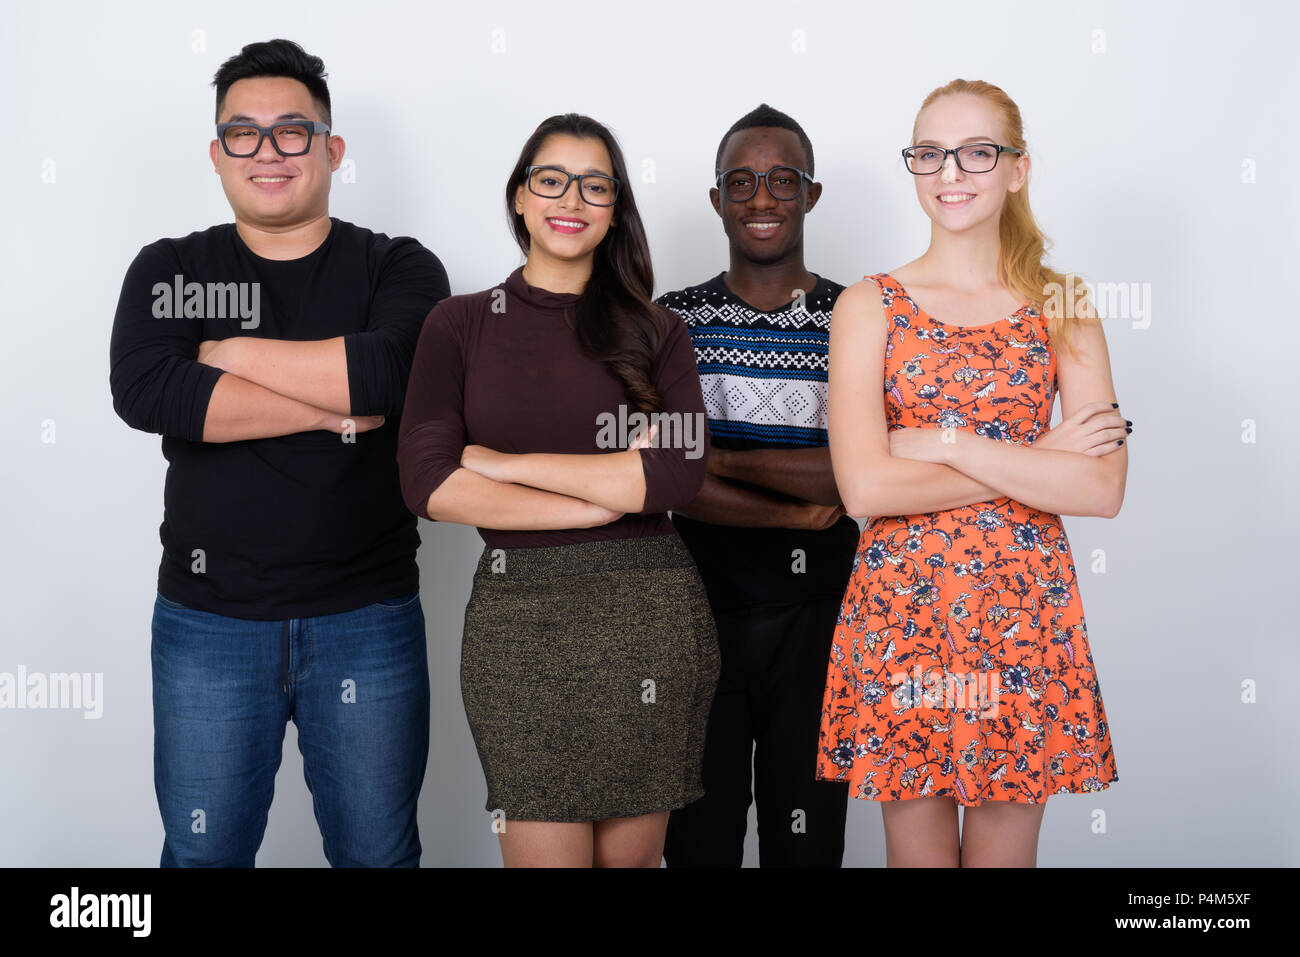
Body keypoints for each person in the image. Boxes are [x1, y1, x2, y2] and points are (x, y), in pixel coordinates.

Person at [108, 38, 449, 867]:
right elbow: (152, 392)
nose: (268, 151)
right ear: (217, 154)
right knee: (202, 856)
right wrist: (336, 412)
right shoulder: (173, 268)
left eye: (292, 131)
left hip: (367, 617)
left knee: (379, 855)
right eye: (244, 134)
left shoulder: (398, 266)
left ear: (331, 150)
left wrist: (228, 350)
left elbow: (387, 372)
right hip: (208, 622)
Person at [817, 78, 1129, 867]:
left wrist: (947, 443)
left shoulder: (1063, 305)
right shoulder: (868, 304)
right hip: (901, 615)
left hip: (1024, 612)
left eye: (976, 152)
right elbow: (866, 489)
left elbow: (1101, 486)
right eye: (931, 153)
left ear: (1016, 169)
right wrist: (1037, 457)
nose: (950, 172)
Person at [396, 113, 719, 868]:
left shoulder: (657, 330)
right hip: (519, 627)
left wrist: (507, 465)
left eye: (595, 184)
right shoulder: (459, 324)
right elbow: (429, 480)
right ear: (518, 197)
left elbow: (676, 473)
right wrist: (602, 497)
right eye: (551, 178)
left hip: (649, 619)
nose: (570, 197)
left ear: (614, 211)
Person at [657, 104, 853, 867]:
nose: (762, 199)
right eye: (742, 182)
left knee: (807, 834)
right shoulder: (672, 321)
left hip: (822, 611)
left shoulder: (856, 316)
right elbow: (664, 481)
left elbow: (853, 474)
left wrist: (716, 458)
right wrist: (798, 506)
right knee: (699, 837)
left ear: (812, 193)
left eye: (782, 180)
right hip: (697, 603)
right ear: (716, 199)